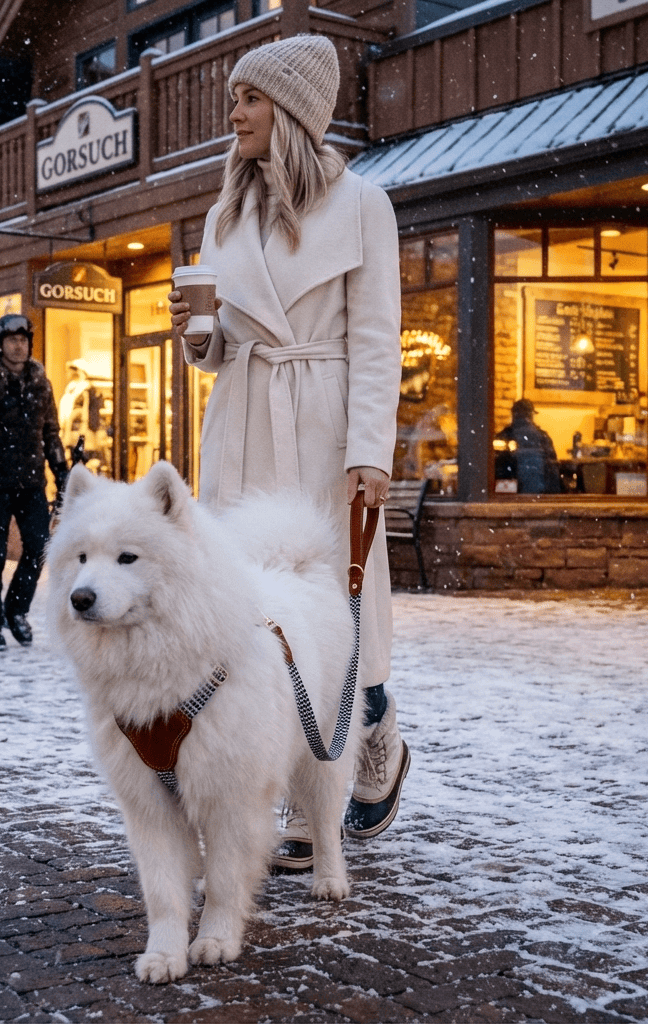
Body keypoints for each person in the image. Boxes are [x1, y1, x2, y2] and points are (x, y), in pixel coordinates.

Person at [168, 34, 408, 871]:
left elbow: (377, 339)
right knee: (257, 623)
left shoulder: (363, 206)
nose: (234, 115)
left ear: (294, 111)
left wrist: (370, 450)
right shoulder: (223, 216)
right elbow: (220, 348)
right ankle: (301, 800)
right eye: (235, 100)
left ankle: (372, 732)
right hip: (241, 422)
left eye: (250, 99)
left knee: (340, 609)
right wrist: (197, 339)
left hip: (322, 424)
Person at [0, 313, 69, 651]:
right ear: (0, 345)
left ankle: (16, 609)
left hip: (31, 481)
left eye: (23, 341)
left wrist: (62, 473)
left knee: (39, 547)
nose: (19, 346)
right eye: (12, 341)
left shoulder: (41, 384)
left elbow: (50, 432)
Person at [495, 398, 563, 494]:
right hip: (539, 491)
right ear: (531, 415)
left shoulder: (504, 436)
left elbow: (496, 464)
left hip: (509, 491)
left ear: (513, 415)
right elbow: (552, 466)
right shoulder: (543, 437)